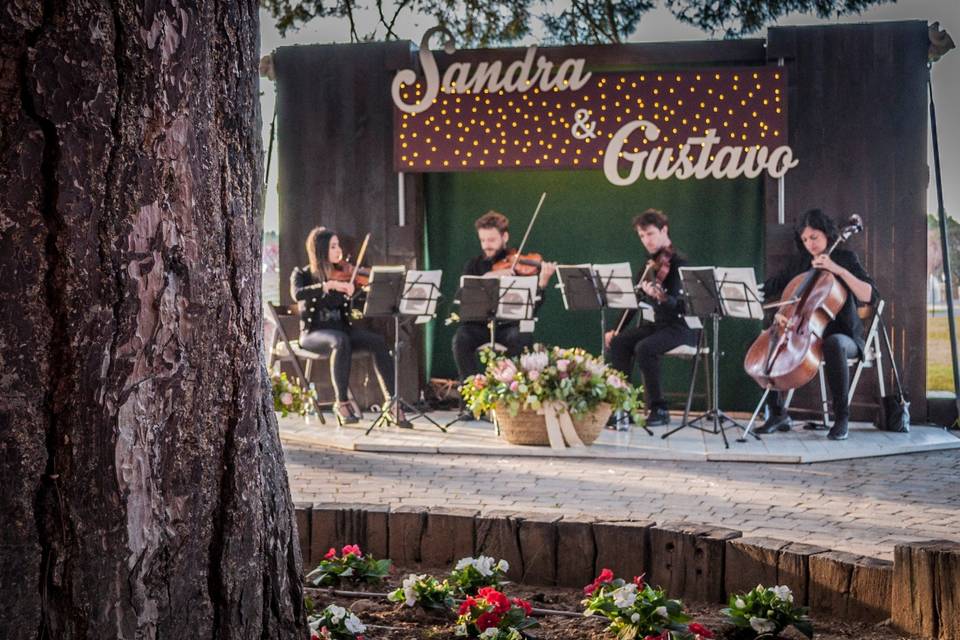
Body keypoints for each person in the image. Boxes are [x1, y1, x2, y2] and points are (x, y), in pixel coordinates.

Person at [754, 209, 878, 440]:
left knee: (833, 344)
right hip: (807, 334)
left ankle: (841, 418)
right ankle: (777, 414)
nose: (809, 244)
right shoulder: (801, 263)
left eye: (814, 237)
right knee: (762, 343)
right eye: (804, 239)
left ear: (827, 235)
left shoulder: (845, 258)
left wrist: (836, 269)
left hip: (844, 336)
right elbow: (772, 287)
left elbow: (870, 294)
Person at [290, 227, 408, 427]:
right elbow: (297, 294)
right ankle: (341, 402)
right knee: (340, 341)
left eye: (338, 246)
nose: (339, 250)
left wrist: (360, 292)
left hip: (342, 331)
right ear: (320, 249)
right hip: (313, 334)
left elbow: (357, 305)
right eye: (333, 246)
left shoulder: (345, 273)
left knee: (378, 342)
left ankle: (392, 403)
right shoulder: (302, 274)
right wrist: (328, 286)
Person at [605, 210, 698, 427]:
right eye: (642, 236)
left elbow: (682, 306)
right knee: (619, 343)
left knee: (645, 348)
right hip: (659, 326)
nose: (646, 240)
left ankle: (659, 408)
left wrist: (662, 298)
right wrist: (616, 329)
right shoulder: (650, 264)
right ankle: (623, 407)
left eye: (650, 234)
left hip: (682, 327)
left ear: (664, 230)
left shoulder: (679, 263)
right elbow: (633, 301)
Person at [452, 211, 558, 380]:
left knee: (521, 336)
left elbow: (532, 309)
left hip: (509, 326)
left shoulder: (518, 264)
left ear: (505, 237)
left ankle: (512, 392)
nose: (486, 245)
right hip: (479, 326)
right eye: (483, 240)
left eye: (492, 240)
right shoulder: (473, 265)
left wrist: (542, 283)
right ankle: (471, 394)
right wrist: (490, 276)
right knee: (461, 338)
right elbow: (461, 297)